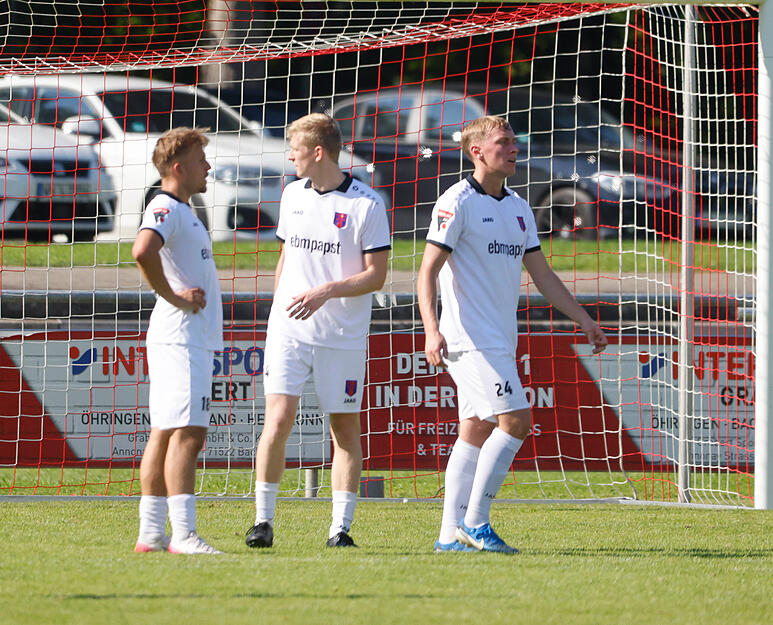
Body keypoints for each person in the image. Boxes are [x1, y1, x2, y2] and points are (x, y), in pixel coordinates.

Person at [417, 116, 607, 554]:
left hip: (500, 338)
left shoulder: (519, 207)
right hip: (468, 338)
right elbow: (427, 271)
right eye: (503, 142)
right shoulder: (456, 201)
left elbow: (543, 276)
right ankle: (476, 522)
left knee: (475, 428)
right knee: (517, 420)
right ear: (477, 152)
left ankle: (449, 536)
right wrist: (431, 331)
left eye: (515, 142)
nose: (513, 148)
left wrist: (583, 319)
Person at [245, 113, 390, 549]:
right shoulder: (291, 194)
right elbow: (286, 258)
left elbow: (377, 276)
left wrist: (326, 291)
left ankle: (339, 530)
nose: (289, 155)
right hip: (289, 332)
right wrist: (278, 311)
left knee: (344, 430)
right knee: (278, 419)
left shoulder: (367, 204)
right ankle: (262, 521)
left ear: (319, 152)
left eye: (295, 149)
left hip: (340, 337)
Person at [132, 127, 223, 555]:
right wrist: (173, 297)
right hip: (181, 337)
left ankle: (151, 533)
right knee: (188, 433)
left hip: (184, 338)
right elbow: (142, 250)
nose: (208, 166)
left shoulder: (184, 209)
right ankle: (184, 536)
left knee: (167, 432)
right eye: (201, 159)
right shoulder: (166, 206)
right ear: (177, 168)